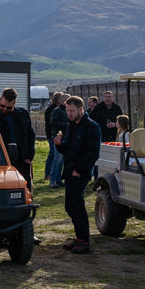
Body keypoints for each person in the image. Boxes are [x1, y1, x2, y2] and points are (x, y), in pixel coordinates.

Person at [55, 96, 101, 255]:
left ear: (81, 109)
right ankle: (80, 237)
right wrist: (59, 145)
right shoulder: (72, 126)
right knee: (70, 205)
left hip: (79, 172)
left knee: (76, 205)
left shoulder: (91, 127)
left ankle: (84, 240)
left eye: (72, 111)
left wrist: (79, 170)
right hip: (69, 170)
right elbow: (67, 149)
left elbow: (93, 153)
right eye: (67, 111)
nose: (69, 114)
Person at [0, 88, 36, 188]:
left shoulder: (23, 114)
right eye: (2, 106)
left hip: (22, 159)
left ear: (14, 103)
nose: (4, 109)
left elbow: (31, 136)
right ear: (0, 100)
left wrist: (29, 157)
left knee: (25, 188)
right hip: (2, 161)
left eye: (8, 108)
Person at [43, 92, 65, 184]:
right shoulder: (52, 109)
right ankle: (49, 174)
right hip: (53, 135)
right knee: (53, 155)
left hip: (55, 135)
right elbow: (50, 124)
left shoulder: (59, 109)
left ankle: (56, 177)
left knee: (56, 156)